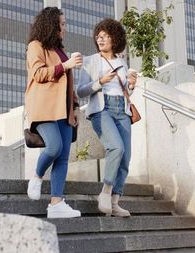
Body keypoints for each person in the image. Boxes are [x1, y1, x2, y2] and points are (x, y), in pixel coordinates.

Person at [25, 7, 82, 219]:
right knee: (54, 147)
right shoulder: (35, 46)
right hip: (44, 109)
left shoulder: (60, 50)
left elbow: (67, 84)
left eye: (65, 24)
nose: (65, 28)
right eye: (62, 24)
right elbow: (38, 73)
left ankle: (57, 203)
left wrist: (74, 108)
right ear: (51, 24)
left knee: (64, 158)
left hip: (64, 110)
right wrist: (65, 65)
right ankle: (37, 176)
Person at [77, 18, 138, 217]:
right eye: (99, 36)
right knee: (116, 147)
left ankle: (115, 201)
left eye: (106, 36)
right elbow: (80, 91)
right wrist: (100, 81)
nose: (101, 39)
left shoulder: (121, 62)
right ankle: (105, 191)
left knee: (126, 156)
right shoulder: (90, 61)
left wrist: (131, 84)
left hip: (122, 109)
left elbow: (125, 90)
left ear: (115, 39)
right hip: (102, 110)